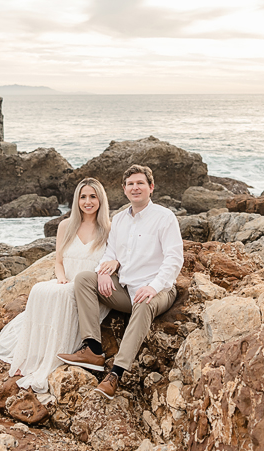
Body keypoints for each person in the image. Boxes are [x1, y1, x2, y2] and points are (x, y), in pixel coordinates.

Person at [58, 164, 183, 399]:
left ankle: (115, 374)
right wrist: (104, 271)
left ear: (151, 187)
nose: (135, 188)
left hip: (159, 290)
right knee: (85, 278)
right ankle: (93, 349)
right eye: (130, 184)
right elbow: (110, 253)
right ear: (124, 189)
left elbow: (174, 259)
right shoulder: (119, 220)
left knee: (144, 302)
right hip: (126, 291)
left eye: (140, 183)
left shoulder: (164, 218)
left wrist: (153, 287)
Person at [0, 178, 112, 402]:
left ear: (100, 199)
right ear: (76, 200)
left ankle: (49, 358)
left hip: (88, 291)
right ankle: (33, 355)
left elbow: (113, 262)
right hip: (67, 281)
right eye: (83, 197)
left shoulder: (109, 229)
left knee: (61, 296)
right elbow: (59, 262)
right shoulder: (66, 226)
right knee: (40, 290)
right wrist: (61, 278)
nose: (88, 201)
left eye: (93, 196)